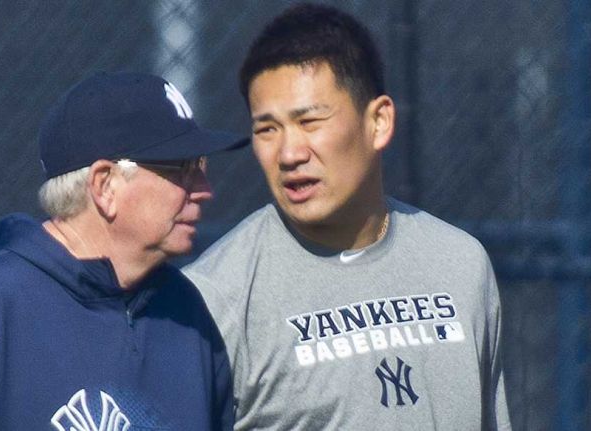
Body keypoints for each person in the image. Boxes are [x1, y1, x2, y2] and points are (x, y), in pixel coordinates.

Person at [182, 3, 512, 430]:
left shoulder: (462, 266)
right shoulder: (214, 298)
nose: (289, 153)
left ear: (378, 122)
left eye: (311, 121)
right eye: (267, 129)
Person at [0, 72, 247, 431]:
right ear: (105, 185)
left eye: (201, 166)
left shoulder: (186, 313)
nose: (203, 190)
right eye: (181, 169)